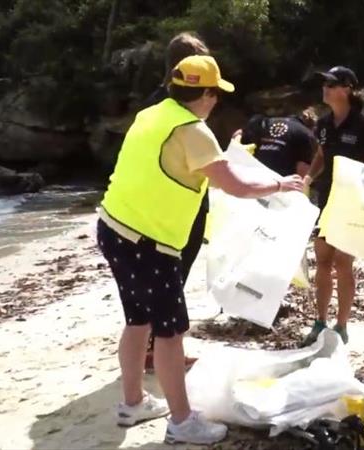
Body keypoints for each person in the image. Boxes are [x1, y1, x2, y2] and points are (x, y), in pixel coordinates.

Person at [97, 55, 303, 444]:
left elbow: (194, 164)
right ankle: (181, 421)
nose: (215, 101)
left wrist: (230, 151)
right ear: (206, 95)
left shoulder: (153, 114)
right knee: (170, 332)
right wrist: (281, 185)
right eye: (215, 94)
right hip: (148, 243)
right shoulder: (194, 131)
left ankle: (132, 403)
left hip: (112, 228)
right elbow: (236, 185)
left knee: (137, 320)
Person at [140, 32, 211, 373]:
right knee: (170, 277)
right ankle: (160, 351)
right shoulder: (171, 105)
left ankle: (154, 347)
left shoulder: (160, 101)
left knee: (168, 277)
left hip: (174, 201)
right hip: (173, 206)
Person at [301, 66, 364, 346]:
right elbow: (321, 156)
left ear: (347, 88)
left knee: (343, 262)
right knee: (322, 259)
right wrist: (309, 177)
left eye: (332, 84)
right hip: (327, 198)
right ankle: (320, 321)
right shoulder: (322, 123)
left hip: (352, 201)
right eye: (324, 83)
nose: (325, 88)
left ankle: (342, 325)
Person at [240, 107, 317, 177]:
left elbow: (240, 135)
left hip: (255, 172)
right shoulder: (306, 133)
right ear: (313, 125)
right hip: (281, 179)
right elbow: (303, 167)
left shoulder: (268, 122)